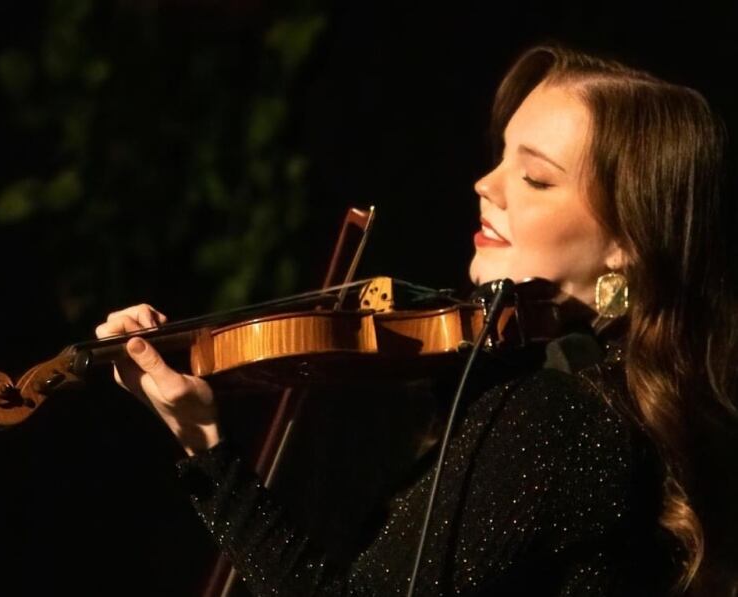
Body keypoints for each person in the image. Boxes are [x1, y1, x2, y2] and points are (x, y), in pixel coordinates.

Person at [95, 45, 738, 596]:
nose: (487, 184)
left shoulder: (560, 417)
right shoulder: (609, 399)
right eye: (501, 157)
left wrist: (204, 445)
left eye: (536, 178)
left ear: (628, 239)